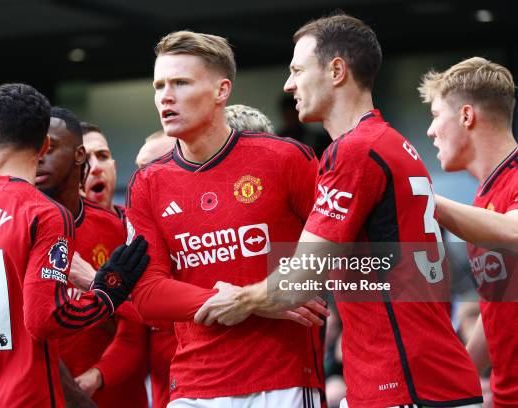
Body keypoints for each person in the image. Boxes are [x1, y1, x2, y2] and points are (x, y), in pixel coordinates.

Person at [195, 14, 483, 408]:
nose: (288, 84)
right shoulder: (390, 142)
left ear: (336, 71)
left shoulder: (354, 151)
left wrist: (238, 300)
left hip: (406, 386)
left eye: (297, 70)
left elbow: (300, 276)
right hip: (421, 380)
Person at [127, 30, 328, 408]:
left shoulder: (287, 159)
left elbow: (344, 252)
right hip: (192, 385)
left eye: (181, 83)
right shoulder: (147, 182)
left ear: (222, 91)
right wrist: (246, 301)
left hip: (282, 378)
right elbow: (147, 293)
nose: (165, 96)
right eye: (159, 86)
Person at [0, 83, 148, 407]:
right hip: (24, 399)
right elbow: (45, 319)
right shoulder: (44, 213)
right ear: (43, 146)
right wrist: (106, 293)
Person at [418, 57, 518, 408]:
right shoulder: (483, 196)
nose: (430, 131)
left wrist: (423, 197)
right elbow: (499, 309)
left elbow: (514, 232)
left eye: (434, 115)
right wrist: (454, 384)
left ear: (466, 116)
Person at [36, 109, 148, 408]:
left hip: (123, 395)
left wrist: (96, 285)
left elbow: (144, 326)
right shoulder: (35, 230)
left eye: (103, 155)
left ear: (116, 165)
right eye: (85, 158)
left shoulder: (134, 233)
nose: (94, 167)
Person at [79, 122, 120, 216]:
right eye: (83, 160)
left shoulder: (141, 222)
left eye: (103, 156)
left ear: (114, 167)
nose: (96, 167)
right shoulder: (62, 229)